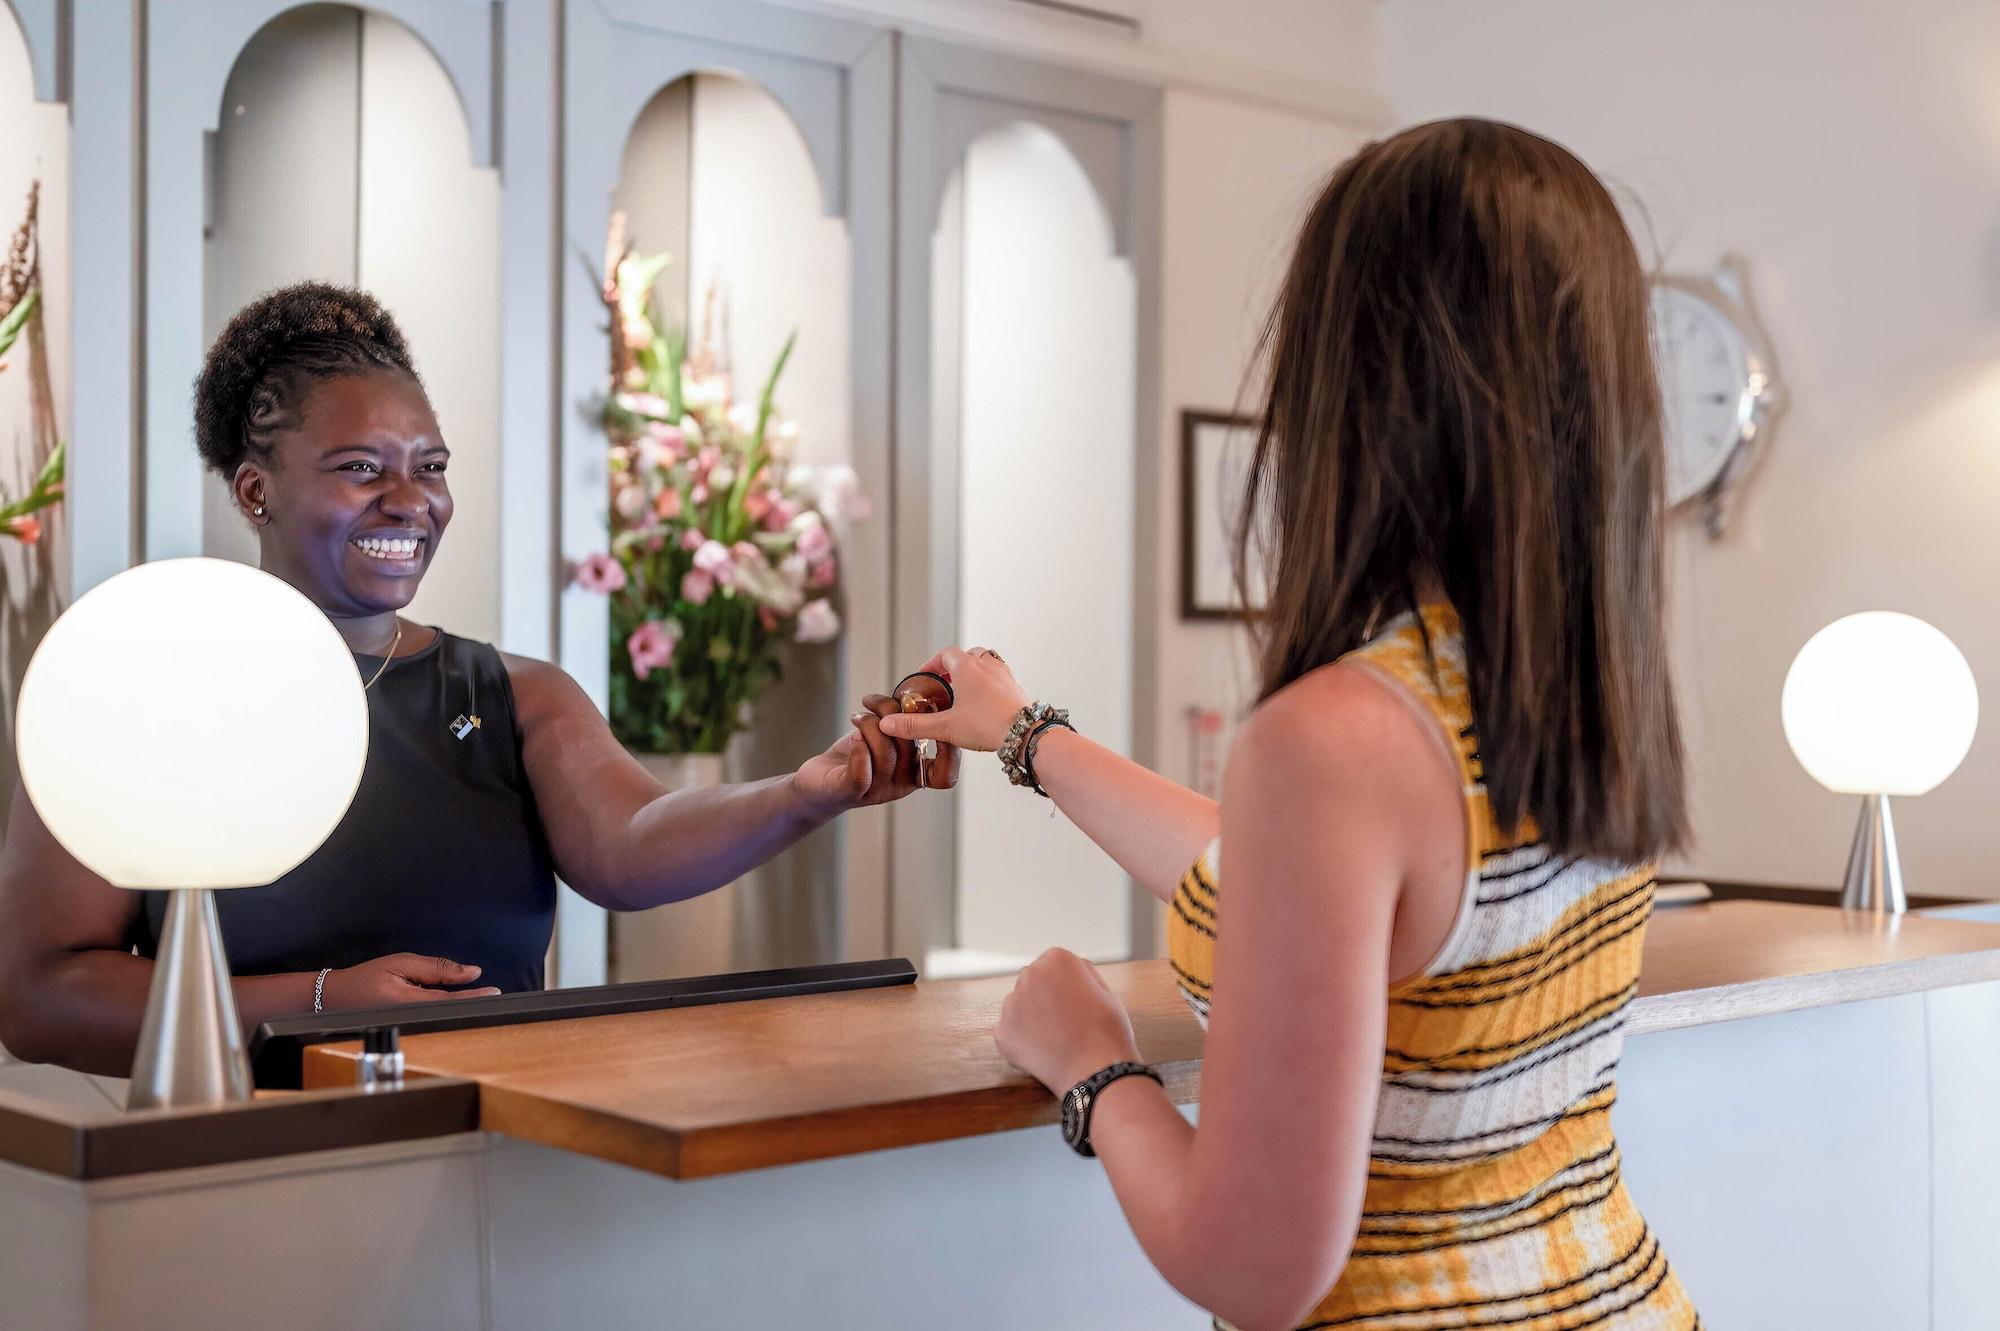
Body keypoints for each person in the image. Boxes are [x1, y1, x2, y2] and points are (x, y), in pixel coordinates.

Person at [883, 119, 1699, 1330]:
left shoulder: (1338, 734)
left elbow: (1257, 1268)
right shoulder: (1578, 683)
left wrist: (1091, 1064)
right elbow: (1302, 884)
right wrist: (1023, 734)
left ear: (1356, 376)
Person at [0, 283, 948, 1077]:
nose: (409, 501)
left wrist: (803, 794)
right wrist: (325, 1007)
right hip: (233, 1180)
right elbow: (39, 995)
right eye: (360, 467)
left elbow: (633, 845)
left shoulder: (515, 696)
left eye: (431, 467)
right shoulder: (136, 685)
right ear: (256, 490)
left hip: (509, 1170)